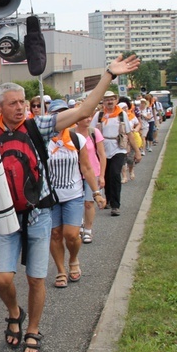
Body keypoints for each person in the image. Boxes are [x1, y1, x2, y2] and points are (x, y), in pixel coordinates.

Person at [0, 54, 140, 352]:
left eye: (22, 102)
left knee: (35, 277)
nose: (20, 107)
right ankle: (14, 312)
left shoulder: (38, 126)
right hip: (7, 216)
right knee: (3, 278)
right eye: (13, 103)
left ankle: (33, 328)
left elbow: (83, 109)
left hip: (40, 214)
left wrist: (108, 74)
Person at [44, 100, 106, 288]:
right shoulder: (43, 140)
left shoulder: (77, 139)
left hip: (73, 193)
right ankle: (61, 270)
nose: (62, 118)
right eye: (57, 114)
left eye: (65, 113)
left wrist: (96, 192)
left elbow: (86, 168)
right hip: (50, 196)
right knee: (55, 234)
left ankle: (73, 259)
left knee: (71, 234)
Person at [90, 90, 141, 216]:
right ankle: (108, 199)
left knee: (114, 174)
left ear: (116, 100)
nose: (110, 101)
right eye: (107, 99)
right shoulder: (99, 115)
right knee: (106, 175)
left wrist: (137, 152)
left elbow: (129, 134)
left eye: (112, 99)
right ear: (103, 102)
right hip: (103, 149)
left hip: (119, 148)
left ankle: (116, 205)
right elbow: (90, 132)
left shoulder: (122, 114)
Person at [76, 113, 106, 244]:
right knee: (76, 203)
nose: (88, 119)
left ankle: (88, 230)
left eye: (90, 117)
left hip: (93, 172)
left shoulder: (94, 132)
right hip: (75, 173)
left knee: (89, 202)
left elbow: (102, 154)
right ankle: (78, 225)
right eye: (85, 116)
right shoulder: (71, 133)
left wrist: (102, 175)